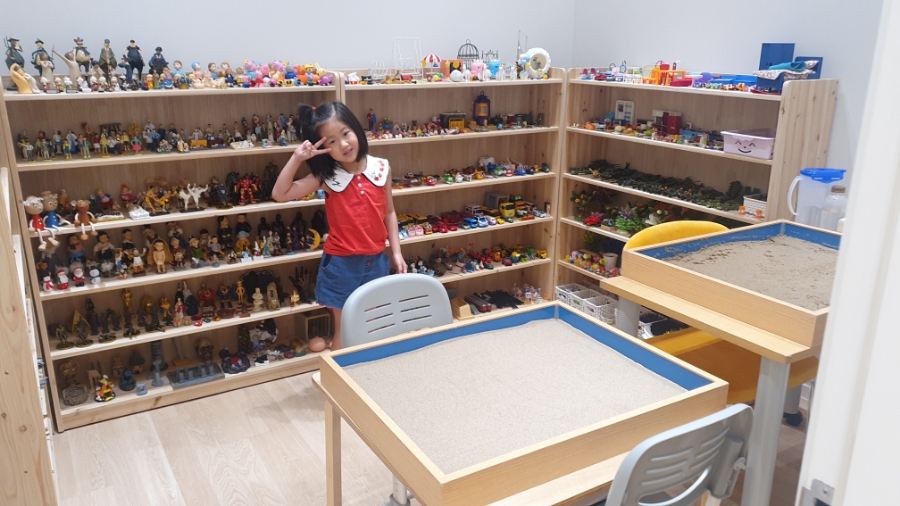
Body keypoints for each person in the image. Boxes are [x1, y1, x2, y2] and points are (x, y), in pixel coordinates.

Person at [272, 102, 406, 350]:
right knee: (344, 327)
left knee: (373, 323)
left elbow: (389, 212)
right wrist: (296, 158)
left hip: (377, 259)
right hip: (342, 264)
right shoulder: (327, 176)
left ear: (356, 128)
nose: (343, 144)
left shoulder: (381, 168)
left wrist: (396, 252)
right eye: (331, 141)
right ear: (323, 148)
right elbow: (280, 194)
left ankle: (367, 370)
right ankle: (341, 372)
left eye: (346, 133)